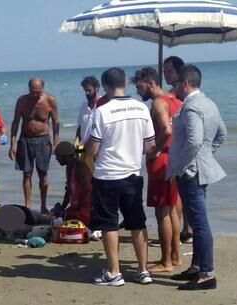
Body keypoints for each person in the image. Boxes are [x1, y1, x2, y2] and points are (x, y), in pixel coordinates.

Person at [85, 68, 156, 286]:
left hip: (107, 175)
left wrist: (83, 150)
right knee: (137, 222)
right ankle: (143, 270)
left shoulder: (102, 111)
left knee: (109, 224)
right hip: (133, 174)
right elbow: (150, 145)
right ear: (125, 83)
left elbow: (92, 149)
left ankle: (115, 272)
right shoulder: (142, 107)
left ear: (105, 87)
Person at [168, 65, 227, 290]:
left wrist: (180, 167)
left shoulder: (192, 107)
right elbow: (221, 134)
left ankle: (207, 273)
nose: (174, 88)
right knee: (194, 219)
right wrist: (207, 156)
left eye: (176, 84)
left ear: (185, 83)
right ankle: (196, 267)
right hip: (199, 168)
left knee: (199, 223)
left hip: (191, 172)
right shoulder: (209, 103)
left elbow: (194, 141)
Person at [132, 67, 182, 272]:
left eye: (139, 87)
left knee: (162, 212)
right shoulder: (175, 100)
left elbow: (167, 129)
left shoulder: (159, 103)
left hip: (161, 161)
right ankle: (176, 256)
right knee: (170, 210)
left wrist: (154, 149)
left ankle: (166, 261)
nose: (138, 91)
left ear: (151, 83)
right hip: (174, 159)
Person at [9, 77, 59, 214]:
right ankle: (28, 206)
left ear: (43, 88)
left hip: (43, 140)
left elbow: (55, 123)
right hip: (26, 139)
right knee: (27, 174)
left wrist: (55, 143)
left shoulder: (50, 100)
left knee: (43, 174)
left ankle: (43, 206)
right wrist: (12, 144)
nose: (35, 95)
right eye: (32, 92)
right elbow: (15, 122)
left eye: (38, 92)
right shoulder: (22, 101)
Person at [163, 56, 193, 244]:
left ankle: (183, 229)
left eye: (169, 71)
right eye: (164, 71)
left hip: (180, 145)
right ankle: (186, 228)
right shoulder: (179, 92)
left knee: (181, 190)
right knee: (185, 190)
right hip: (183, 144)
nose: (166, 74)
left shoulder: (177, 93)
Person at [53, 141, 92, 227]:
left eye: (58, 156)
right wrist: (62, 208)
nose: (56, 159)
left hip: (85, 209)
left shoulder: (80, 167)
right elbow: (69, 191)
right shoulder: (69, 167)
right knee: (54, 217)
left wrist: (78, 209)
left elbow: (88, 189)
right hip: (75, 209)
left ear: (65, 156)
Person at [74, 76, 101, 170]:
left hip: (97, 149)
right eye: (85, 90)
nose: (87, 93)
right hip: (81, 147)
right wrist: (76, 140)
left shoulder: (103, 106)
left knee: (96, 177)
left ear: (97, 88)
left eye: (89, 90)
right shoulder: (83, 107)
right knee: (81, 173)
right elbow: (80, 127)